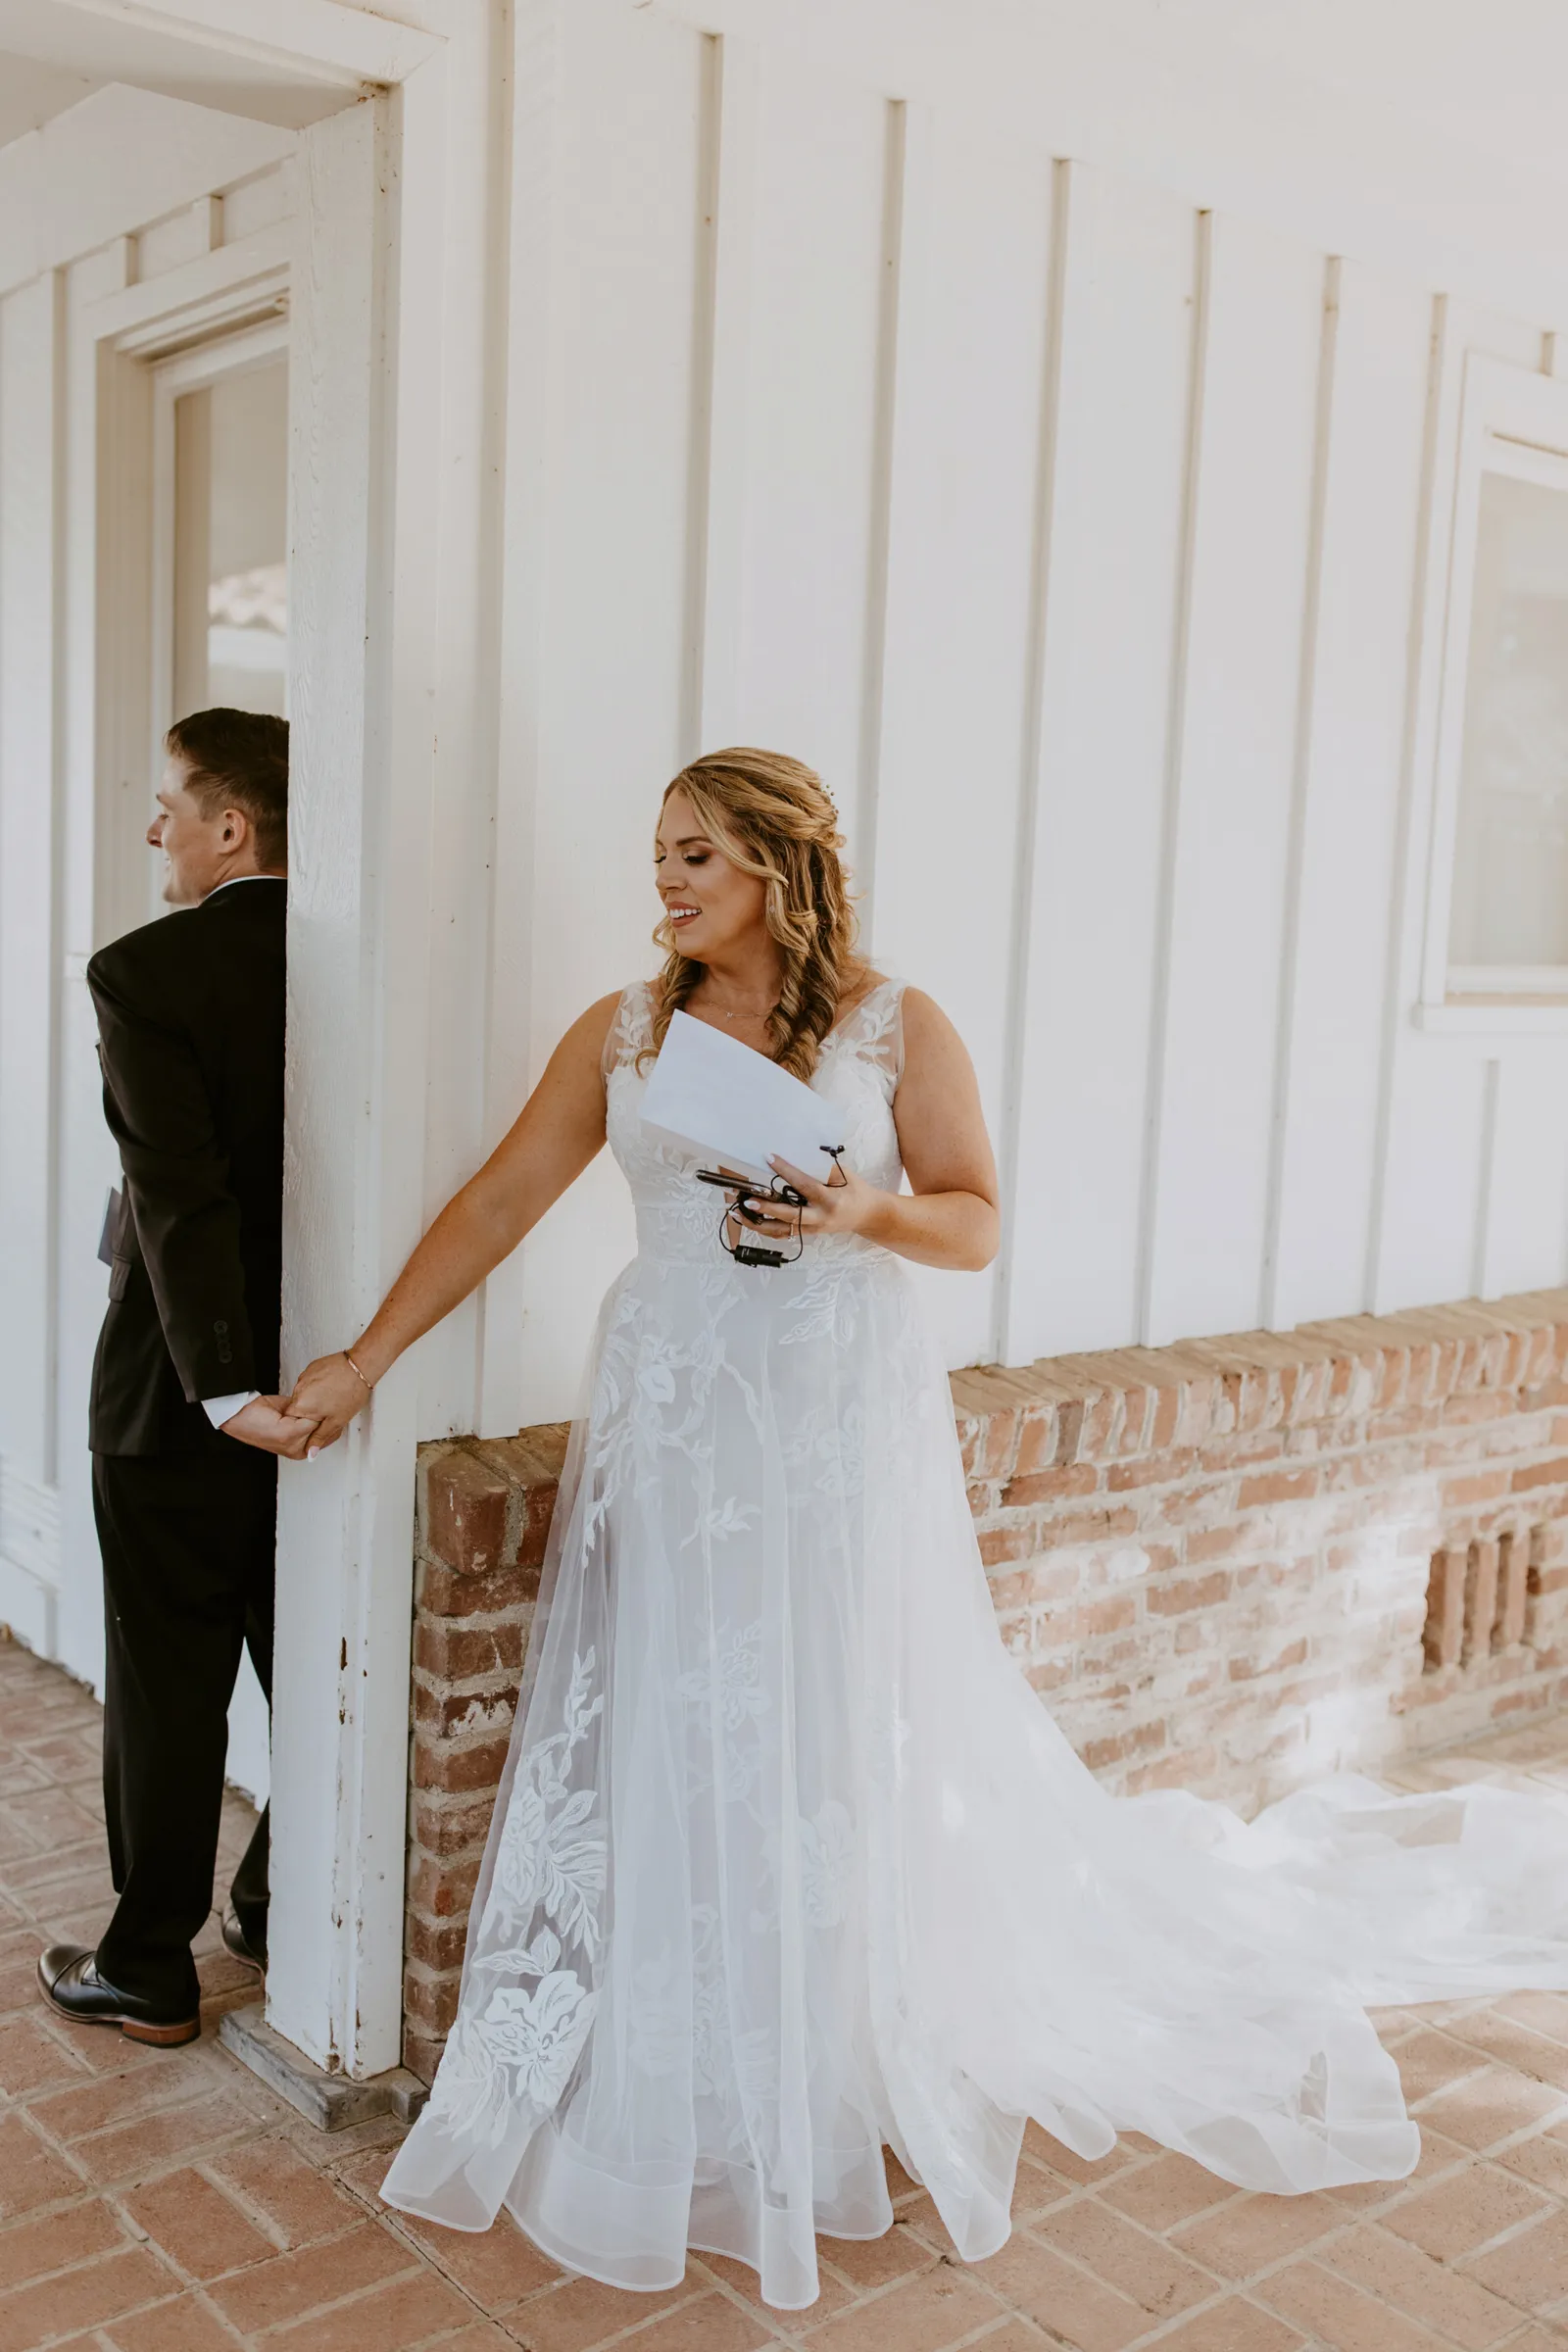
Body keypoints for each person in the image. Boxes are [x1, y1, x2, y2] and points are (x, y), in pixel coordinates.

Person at [286, 749, 1568, 2311]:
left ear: (778, 864)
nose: (669, 882)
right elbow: (499, 1199)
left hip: (830, 1410)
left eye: (697, 854)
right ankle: (679, 2043)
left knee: (828, 1718)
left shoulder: (893, 1025)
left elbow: (972, 1217)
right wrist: (363, 1359)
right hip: (678, 1406)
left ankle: (825, 2051)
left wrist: (857, 1211)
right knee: (680, 1710)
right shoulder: (625, 1030)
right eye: (660, 857)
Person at [37, 710, 315, 2052]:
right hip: (329, 1396)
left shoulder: (145, 972)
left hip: (178, 1399)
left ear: (232, 825)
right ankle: (276, 1903)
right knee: (310, 1669)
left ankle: (150, 1964)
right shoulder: (353, 963)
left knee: (167, 1689)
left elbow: (177, 1190)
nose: (154, 828)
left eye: (169, 804)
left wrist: (216, 1385)